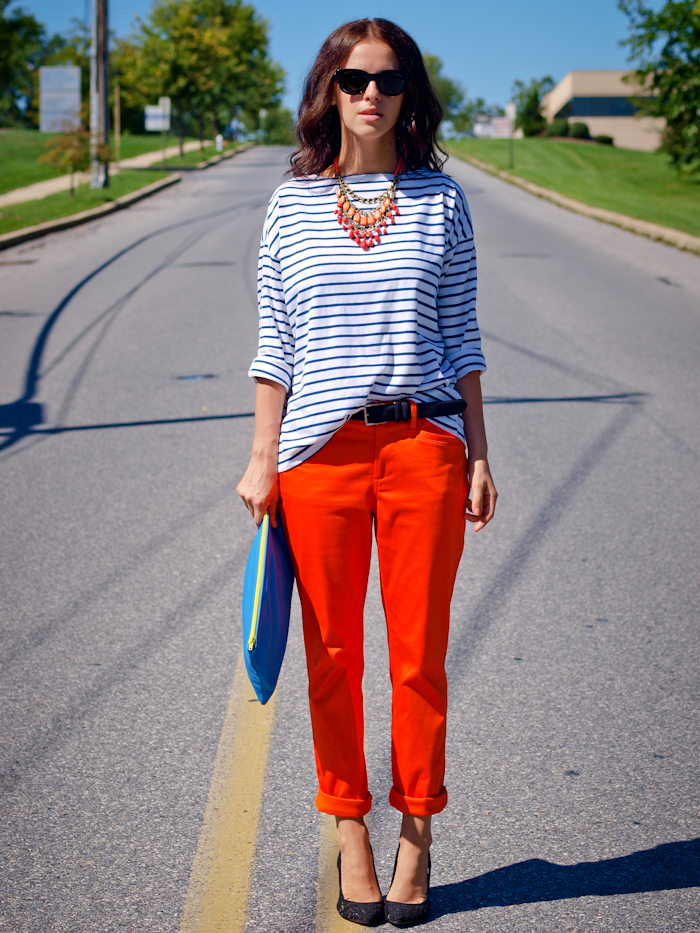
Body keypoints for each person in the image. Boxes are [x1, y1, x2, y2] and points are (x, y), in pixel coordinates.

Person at [237, 17, 497, 927]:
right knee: (333, 657)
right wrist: (263, 456)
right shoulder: (291, 203)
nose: (371, 96)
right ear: (329, 92)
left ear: (409, 93)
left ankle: (418, 829)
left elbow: (463, 335)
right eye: (353, 80)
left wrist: (479, 449)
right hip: (319, 456)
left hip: (424, 446)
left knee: (419, 655)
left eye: (388, 81)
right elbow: (277, 342)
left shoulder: (442, 199)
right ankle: (349, 827)